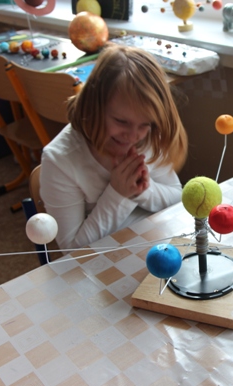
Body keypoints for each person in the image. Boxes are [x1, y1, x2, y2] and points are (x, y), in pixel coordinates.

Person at [40, 43, 188, 251]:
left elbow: (177, 199)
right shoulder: (60, 161)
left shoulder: (150, 136)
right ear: (93, 107)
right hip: (105, 260)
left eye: (145, 124)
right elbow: (72, 250)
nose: (133, 136)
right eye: (121, 121)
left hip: (156, 247)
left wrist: (143, 191)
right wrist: (118, 194)